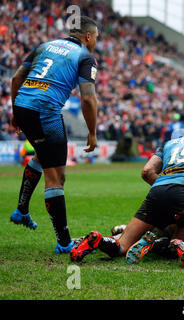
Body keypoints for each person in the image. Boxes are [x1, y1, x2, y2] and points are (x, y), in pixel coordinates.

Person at [70, 115, 184, 269]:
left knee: (122, 245)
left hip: (157, 191)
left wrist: (167, 188)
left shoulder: (171, 142)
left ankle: (100, 240)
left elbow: (147, 171)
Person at [9, 16, 99, 253]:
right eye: (96, 38)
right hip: (45, 111)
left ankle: (21, 210)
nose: (96, 42)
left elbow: (16, 77)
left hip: (23, 104)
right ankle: (64, 242)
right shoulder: (85, 56)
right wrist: (92, 132)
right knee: (57, 176)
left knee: (43, 155)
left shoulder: (45, 46)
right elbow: (88, 97)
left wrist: (15, 110)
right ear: (88, 37)